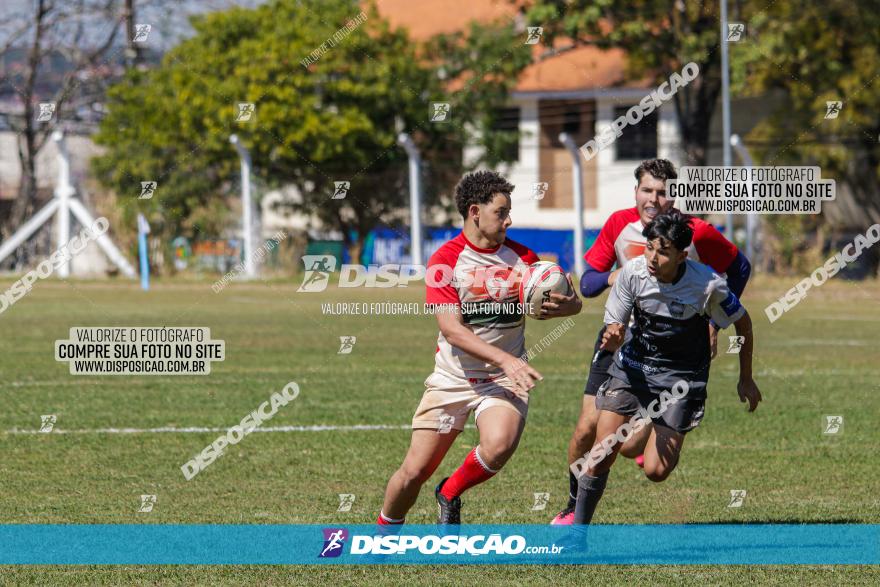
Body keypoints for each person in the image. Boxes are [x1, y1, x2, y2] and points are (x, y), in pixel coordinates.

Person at [552, 158, 752, 524]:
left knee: (629, 450)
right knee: (588, 430)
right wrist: (627, 279)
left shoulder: (698, 234)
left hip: (676, 351)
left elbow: (740, 269)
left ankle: (652, 415)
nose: (654, 199)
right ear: (636, 192)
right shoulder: (619, 226)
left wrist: (714, 323)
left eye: (663, 192)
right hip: (623, 340)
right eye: (647, 190)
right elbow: (589, 284)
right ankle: (571, 509)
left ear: (674, 196)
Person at [377, 170, 582, 525]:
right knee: (413, 472)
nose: (509, 220)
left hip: (502, 381)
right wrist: (506, 359)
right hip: (452, 380)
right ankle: (382, 536)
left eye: (508, 212)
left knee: (499, 445)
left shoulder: (524, 258)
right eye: (501, 212)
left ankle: (450, 492)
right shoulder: (445, 260)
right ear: (475, 212)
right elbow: (451, 330)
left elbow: (565, 300)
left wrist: (570, 306)